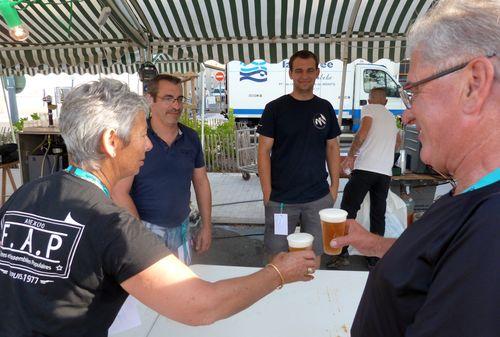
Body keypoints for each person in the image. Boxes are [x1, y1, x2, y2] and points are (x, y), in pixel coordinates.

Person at [0, 79, 317, 336]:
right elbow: (200, 305)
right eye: (140, 135)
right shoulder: (111, 225)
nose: (148, 144)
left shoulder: (24, 194)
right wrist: (278, 272)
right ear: (112, 141)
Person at [330, 0, 500, 335]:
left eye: (415, 91)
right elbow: (438, 261)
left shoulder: (492, 227)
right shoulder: (473, 195)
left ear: (474, 84)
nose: (407, 115)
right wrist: (373, 244)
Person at [112, 74, 211, 265]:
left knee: (183, 286)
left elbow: (201, 182)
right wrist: (140, 236)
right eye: (168, 99)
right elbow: (119, 192)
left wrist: (207, 226)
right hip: (144, 229)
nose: (176, 106)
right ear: (150, 100)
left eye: (179, 99)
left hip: (182, 228)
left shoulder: (190, 138)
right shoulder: (137, 138)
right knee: (148, 290)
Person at [257, 50, 341, 266]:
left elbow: (332, 147)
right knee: (277, 257)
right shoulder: (274, 108)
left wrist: (334, 188)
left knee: (315, 256)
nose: (304, 76)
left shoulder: (325, 108)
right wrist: (267, 193)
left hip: (318, 199)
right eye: (299, 71)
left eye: (310, 70)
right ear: (291, 74)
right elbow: (263, 151)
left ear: (317, 73)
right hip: (281, 201)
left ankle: (312, 296)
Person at [329, 87, 400, 269]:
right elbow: (398, 143)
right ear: (385, 101)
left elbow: (362, 132)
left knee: (348, 210)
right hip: (384, 173)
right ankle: (375, 258)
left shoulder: (369, 109)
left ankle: (342, 253)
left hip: (366, 168)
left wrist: (351, 155)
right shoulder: (391, 117)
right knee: (378, 214)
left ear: (369, 100)